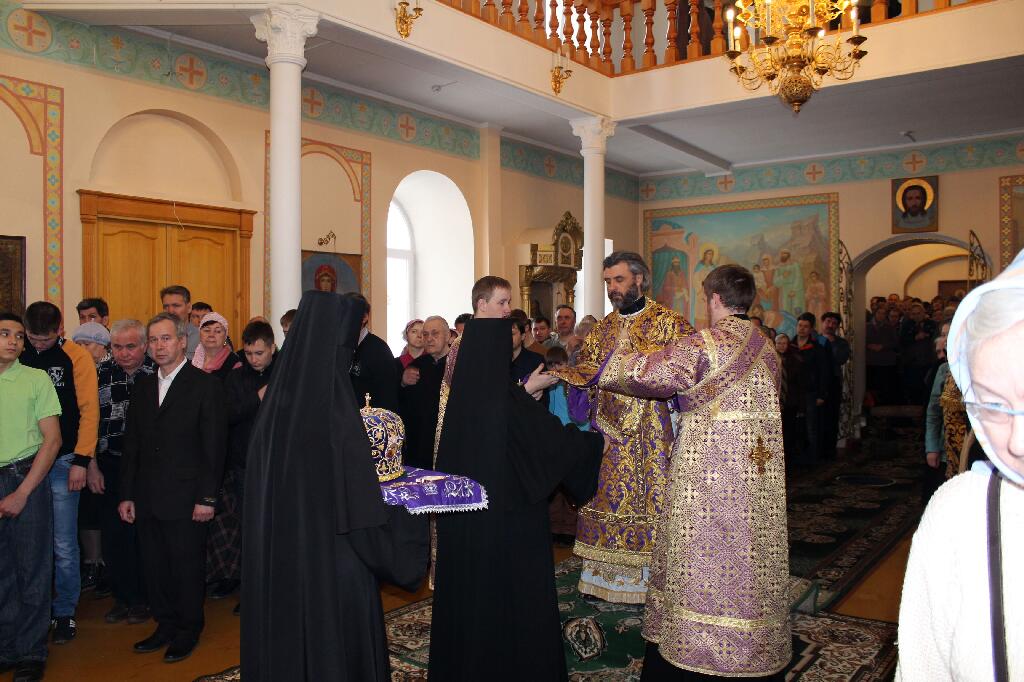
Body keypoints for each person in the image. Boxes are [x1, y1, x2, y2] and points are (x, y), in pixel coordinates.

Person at [596, 264, 790, 680]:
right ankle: (751, 640)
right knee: (749, 554)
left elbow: (648, 374)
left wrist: (607, 361)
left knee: (702, 552)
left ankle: (698, 643)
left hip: (707, 474)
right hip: (758, 477)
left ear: (714, 298)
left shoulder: (706, 344)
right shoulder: (767, 349)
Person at [242, 291, 428, 680]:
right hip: (334, 562)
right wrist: (407, 526)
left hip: (282, 559)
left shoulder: (273, 408)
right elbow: (360, 512)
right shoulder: (338, 411)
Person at [428, 317, 607, 681]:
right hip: (511, 529)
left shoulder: (457, 405)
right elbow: (556, 446)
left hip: (465, 530)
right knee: (514, 607)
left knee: (470, 607)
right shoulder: (508, 400)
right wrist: (596, 443)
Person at [895, 249, 1024, 681]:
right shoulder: (958, 513)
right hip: (958, 456)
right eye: (993, 405)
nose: (1018, 443)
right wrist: (932, 447)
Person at [551, 252, 693, 604]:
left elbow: (686, 374)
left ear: (639, 279)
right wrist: (569, 376)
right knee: (607, 500)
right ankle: (604, 580)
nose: (612, 288)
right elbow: (587, 371)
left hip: (652, 434)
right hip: (609, 435)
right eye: (608, 282)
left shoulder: (669, 323)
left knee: (650, 502)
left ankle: (651, 583)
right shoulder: (602, 329)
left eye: (619, 280)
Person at [119, 312, 228, 664]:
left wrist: (207, 498)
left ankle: (188, 628)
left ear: (182, 342)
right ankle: (164, 624)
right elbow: (132, 444)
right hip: (147, 494)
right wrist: (127, 493)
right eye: (153, 340)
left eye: (166, 338)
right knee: (155, 566)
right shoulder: (143, 386)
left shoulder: (205, 385)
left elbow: (214, 448)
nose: (159, 346)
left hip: (187, 496)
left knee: (185, 566)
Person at [19, 301, 99, 646]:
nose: (38, 345)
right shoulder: (17, 353)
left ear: (60, 330)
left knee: (64, 542)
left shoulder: (76, 357)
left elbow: (89, 410)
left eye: (45, 339)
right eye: (32, 338)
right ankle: (30, 609)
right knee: (28, 541)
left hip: (64, 460)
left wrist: (82, 459)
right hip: (24, 461)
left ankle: (64, 610)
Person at [0, 311, 63, 682]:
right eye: (5, 333)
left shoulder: (36, 379)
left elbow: (52, 441)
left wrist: (22, 492)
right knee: (2, 572)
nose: (13, 341)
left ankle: (31, 652)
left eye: (18, 336)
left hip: (25, 478)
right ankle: (7, 647)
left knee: (32, 569)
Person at [93, 319, 156, 625]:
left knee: (144, 535)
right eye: (117, 347)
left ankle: (145, 598)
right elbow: (89, 421)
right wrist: (90, 464)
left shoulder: (157, 373)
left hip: (148, 467)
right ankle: (122, 596)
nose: (124, 353)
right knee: (114, 534)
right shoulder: (100, 373)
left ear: (144, 346)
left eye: (131, 346)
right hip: (109, 463)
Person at [218, 320, 277, 613]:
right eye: (249, 353)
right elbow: (227, 414)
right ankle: (251, 591)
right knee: (249, 528)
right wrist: (257, 398)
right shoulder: (236, 377)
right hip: (245, 465)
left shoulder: (284, 374)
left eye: (259, 353)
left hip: (277, 465)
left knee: (276, 528)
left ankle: (277, 588)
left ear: (272, 348)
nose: (254, 359)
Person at [398, 316, 451, 470]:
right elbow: (401, 401)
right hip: (418, 443)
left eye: (435, 333)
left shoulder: (458, 365)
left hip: (446, 442)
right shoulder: (417, 365)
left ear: (448, 335)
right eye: (425, 334)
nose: (429, 338)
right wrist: (402, 383)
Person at [345, 293, 399, 414]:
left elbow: (388, 399)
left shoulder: (379, 350)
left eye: (349, 313)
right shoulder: (339, 348)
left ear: (364, 317)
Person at [794, 312, 831, 463]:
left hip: (810, 392)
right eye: (800, 325)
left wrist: (821, 394)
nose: (802, 329)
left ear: (811, 329)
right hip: (794, 394)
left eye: (805, 326)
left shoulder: (817, 349)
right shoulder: (789, 345)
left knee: (811, 427)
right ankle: (797, 457)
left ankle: (813, 459)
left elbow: (823, 373)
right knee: (795, 426)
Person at [820, 312, 850, 459]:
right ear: (822, 322)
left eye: (834, 323)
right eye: (828, 321)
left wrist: (827, 347)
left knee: (832, 416)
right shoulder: (814, 339)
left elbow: (840, 359)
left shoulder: (842, 343)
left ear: (837, 326)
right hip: (816, 383)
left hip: (833, 381)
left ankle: (830, 450)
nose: (830, 325)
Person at [775, 333, 805, 466]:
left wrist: (800, 404)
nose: (782, 346)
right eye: (779, 343)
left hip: (790, 401)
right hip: (775, 401)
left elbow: (800, 384)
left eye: (784, 343)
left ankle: (789, 459)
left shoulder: (795, 360)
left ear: (788, 345)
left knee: (789, 431)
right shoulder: (770, 359)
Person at [192, 313, 242, 382]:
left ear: (225, 336)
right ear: (200, 334)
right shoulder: (194, 360)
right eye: (207, 330)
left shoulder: (234, 363)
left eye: (218, 331)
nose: (211, 335)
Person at [160, 285, 200, 359]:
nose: (170, 311)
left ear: (189, 308)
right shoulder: (154, 338)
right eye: (166, 307)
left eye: (176, 306)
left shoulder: (202, 338)